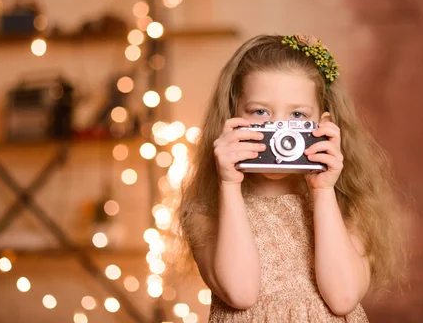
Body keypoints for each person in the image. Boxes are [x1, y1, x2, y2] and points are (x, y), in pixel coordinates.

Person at [172, 34, 406, 322]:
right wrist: (230, 184)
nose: (280, 131)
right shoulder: (206, 209)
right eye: (260, 112)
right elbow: (240, 293)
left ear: (323, 125)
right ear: (232, 117)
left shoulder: (349, 203)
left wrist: (323, 190)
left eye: (297, 115)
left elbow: (343, 298)